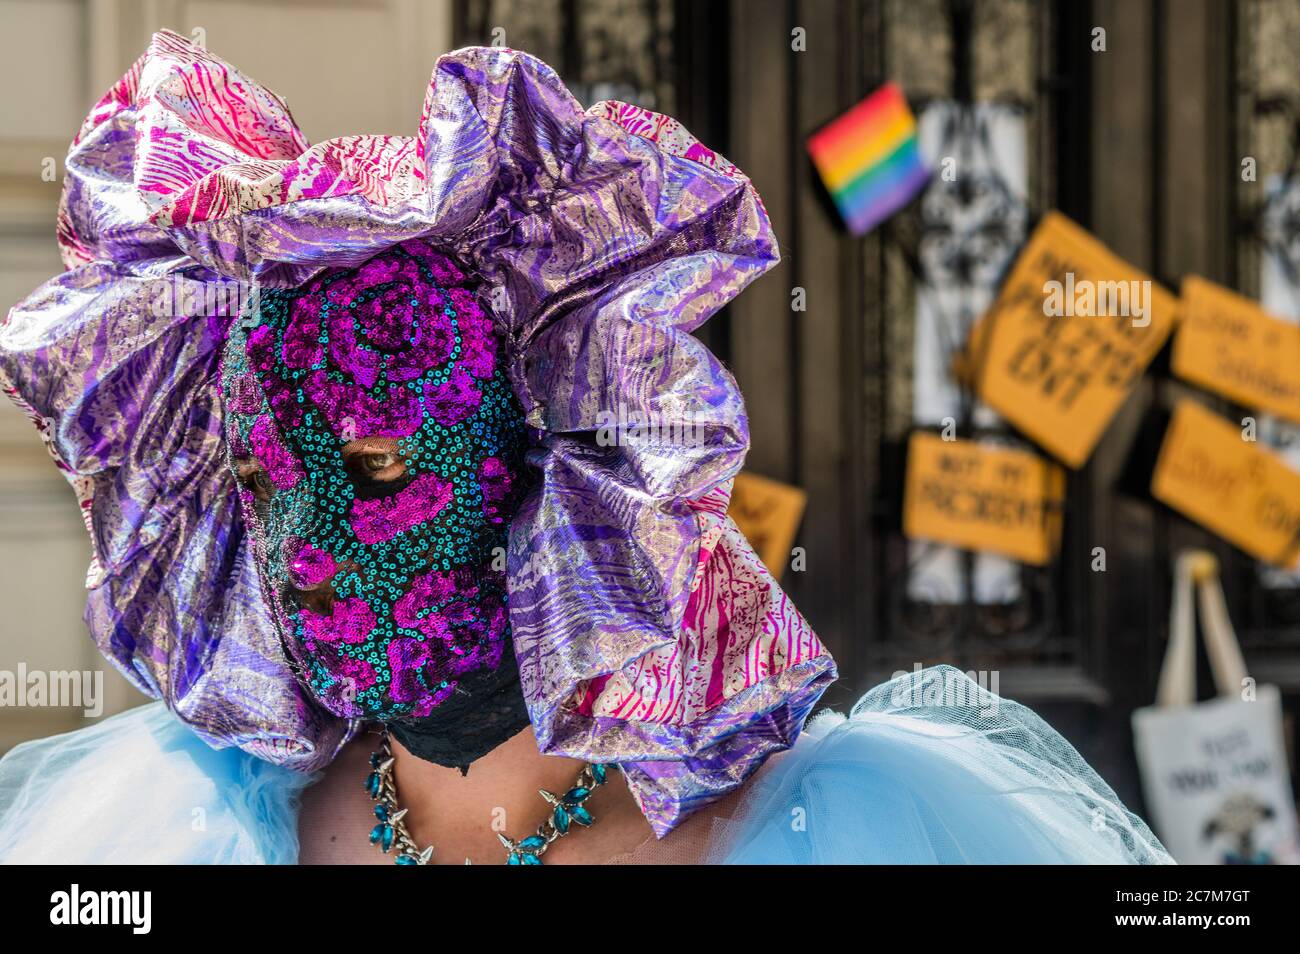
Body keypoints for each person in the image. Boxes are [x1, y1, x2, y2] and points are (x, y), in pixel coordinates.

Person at [0, 31, 1170, 865]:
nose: (299, 549)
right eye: (259, 476)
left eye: (376, 464)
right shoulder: (189, 833)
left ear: (565, 471)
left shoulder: (821, 837)